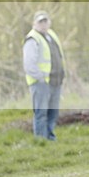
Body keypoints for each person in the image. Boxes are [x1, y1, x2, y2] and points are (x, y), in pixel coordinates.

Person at [23, 10, 65, 141]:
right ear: (34, 23)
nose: (43, 24)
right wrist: (41, 78)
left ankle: (50, 137)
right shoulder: (32, 38)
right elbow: (29, 64)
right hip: (41, 82)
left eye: (45, 21)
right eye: (40, 21)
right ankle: (41, 140)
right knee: (41, 113)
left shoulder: (51, 35)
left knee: (53, 112)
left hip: (55, 81)